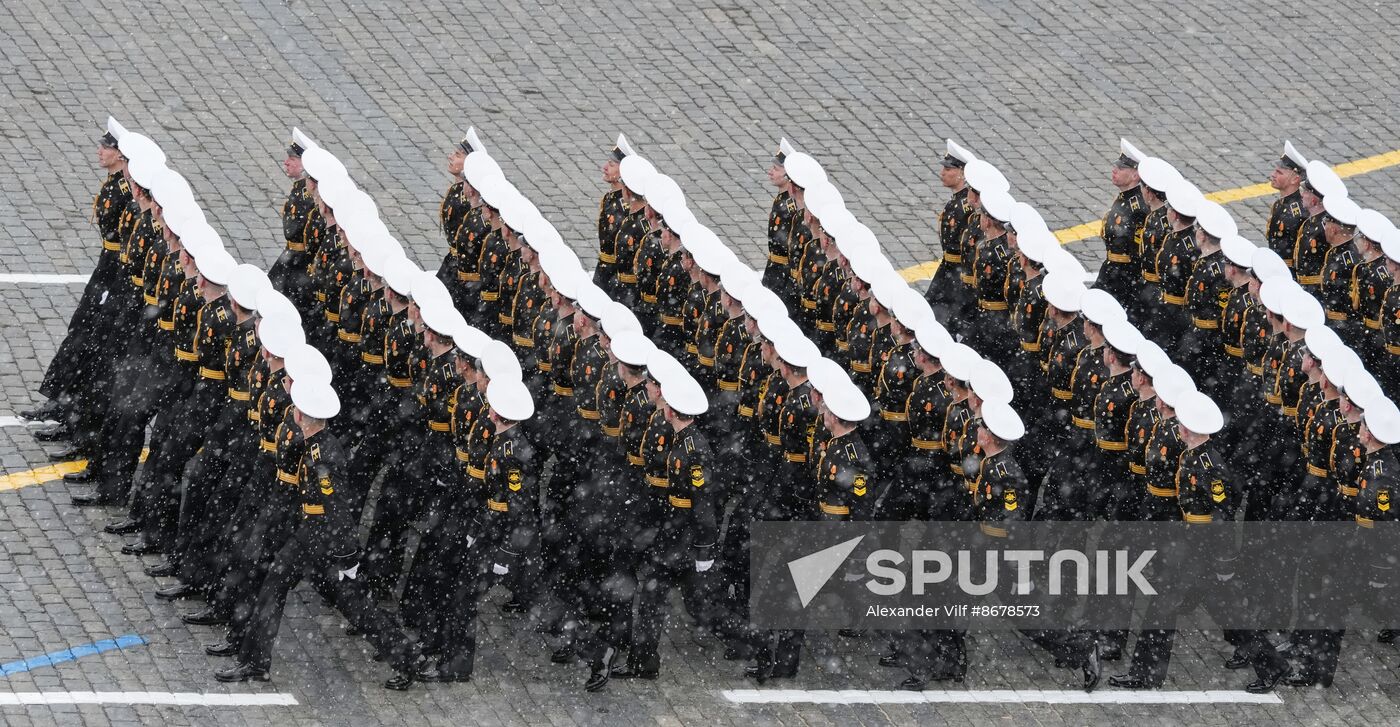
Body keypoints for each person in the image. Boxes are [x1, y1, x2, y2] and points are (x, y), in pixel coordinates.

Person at [214, 380, 420, 690]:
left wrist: (347, 554)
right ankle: (405, 656)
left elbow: (336, 507)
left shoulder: (323, 456)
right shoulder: (316, 445)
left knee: (282, 586)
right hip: (313, 534)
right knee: (349, 603)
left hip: (317, 536)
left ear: (301, 416)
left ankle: (255, 663)